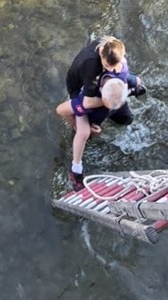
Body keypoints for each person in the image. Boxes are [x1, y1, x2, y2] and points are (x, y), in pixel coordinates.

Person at [57, 36, 145, 190]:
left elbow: (131, 78)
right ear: (101, 56)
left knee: (126, 119)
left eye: (115, 67)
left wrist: (132, 88)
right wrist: (81, 126)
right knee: (84, 133)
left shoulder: (117, 59)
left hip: (112, 96)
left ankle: (122, 100)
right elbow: (80, 105)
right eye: (107, 66)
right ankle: (76, 170)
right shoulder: (91, 72)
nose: (112, 69)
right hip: (81, 93)